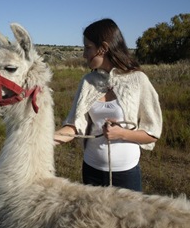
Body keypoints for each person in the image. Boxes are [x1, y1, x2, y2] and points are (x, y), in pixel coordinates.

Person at [54, 18, 162, 191]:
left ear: (103, 48)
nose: (84, 54)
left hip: (125, 175)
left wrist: (122, 133)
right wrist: (43, 140)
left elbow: (153, 133)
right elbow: (74, 127)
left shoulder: (138, 80)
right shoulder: (87, 82)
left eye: (88, 47)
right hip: (91, 171)